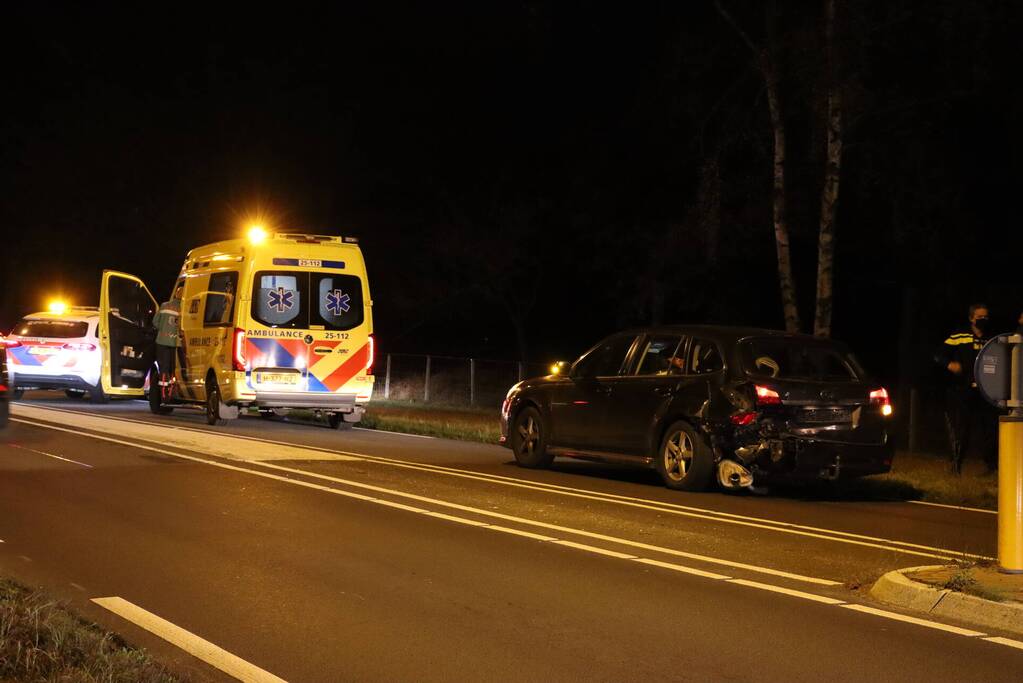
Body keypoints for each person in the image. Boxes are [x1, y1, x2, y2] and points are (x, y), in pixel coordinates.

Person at [936, 303, 997, 474]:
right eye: (980, 317)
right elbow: (939, 355)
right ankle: (956, 466)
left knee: (989, 429)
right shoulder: (959, 336)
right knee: (962, 429)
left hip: (986, 392)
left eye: (986, 317)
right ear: (971, 318)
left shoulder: (991, 338)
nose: (983, 320)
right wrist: (950, 364)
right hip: (962, 391)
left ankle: (992, 467)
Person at [153, 283, 184, 400]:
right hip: (174, 343)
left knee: (163, 367)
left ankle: (163, 392)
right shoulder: (182, 308)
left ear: (175, 294)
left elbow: (155, 322)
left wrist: (163, 328)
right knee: (172, 368)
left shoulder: (164, 305)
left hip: (161, 341)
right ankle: (171, 391)